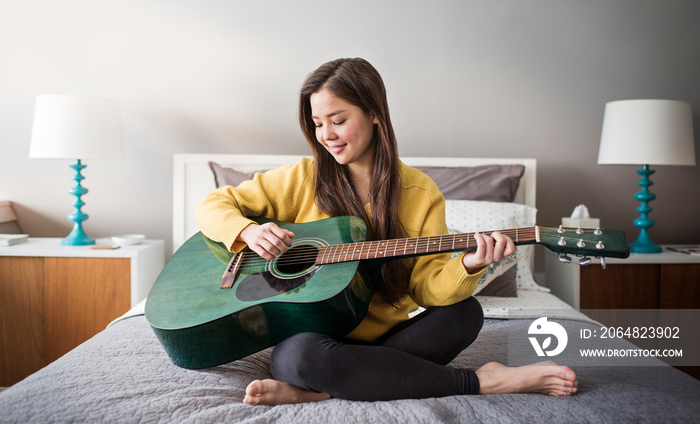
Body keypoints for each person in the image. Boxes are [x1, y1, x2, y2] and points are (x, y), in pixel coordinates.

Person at [195, 57, 578, 405]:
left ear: (375, 113)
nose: (326, 134)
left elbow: (426, 287)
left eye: (338, 119)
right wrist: (246, 231)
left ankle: (325, 389)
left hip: (389, 337)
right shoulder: (302, 177)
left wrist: (469, 265)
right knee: (298, 357)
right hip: (314, 339)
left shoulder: (419, 193)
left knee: (465, 314)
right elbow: (211, 205)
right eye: (317, 123)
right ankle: (482, 381)